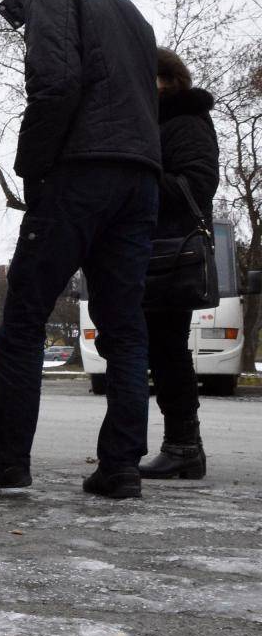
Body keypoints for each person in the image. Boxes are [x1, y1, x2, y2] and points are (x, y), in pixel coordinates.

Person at [0, 0, 159, 499]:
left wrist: (31, 167)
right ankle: (121, 467)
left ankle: (8, 459)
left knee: (23, 323)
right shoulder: (132, 13)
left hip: (80, 172)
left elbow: (55, 84)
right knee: (125, 328)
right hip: (140, 178)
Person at [139, 48, 219, 480]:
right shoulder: (156, 121)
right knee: (157, 349)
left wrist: (140, 178)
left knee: (168, 350)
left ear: (167, 80)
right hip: (152, 250)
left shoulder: (183, 120)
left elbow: (198, 184)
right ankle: (180, 446)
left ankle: (185, 446)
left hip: (170, 253)